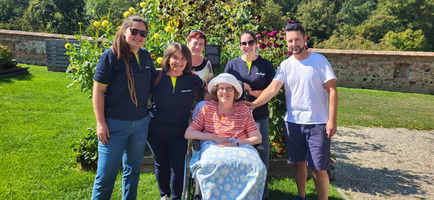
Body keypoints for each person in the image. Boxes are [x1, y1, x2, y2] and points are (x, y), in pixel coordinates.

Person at [245, 23, 338, 200]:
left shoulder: (319, 61)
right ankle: (300, 196)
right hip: (293, 122)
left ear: (304, 39)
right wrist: (254, 105)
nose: (293, 43)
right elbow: (272, 89)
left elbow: (332, 90)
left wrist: (332, 120)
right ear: (286, 43)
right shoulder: (286, 65)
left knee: (318, 168)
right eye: (290, 41)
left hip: (318, 123)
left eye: (297, 39)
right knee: (298, 163)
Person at [91, 15, 155, 200]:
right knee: (106, 174)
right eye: (134, 31)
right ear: (124, 31)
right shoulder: (111, 56)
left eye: (143, 33)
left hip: (141, 123)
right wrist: (100, 122)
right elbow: (98, 90)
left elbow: (153, 77)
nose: (139, 36)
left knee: (133, 170)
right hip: (113, 125)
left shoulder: (144, 55)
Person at [185, 73, 267, 200]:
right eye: (221, 88)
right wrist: (215, 138)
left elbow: (257, 137)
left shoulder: (243, 110)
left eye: (229, 88)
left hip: (240, 145)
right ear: (216, 91)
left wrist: (237, 143)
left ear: (234, 92)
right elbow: (189, 133)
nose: (225, 92)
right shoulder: (207, 108)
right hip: (213, 145)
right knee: (210, 164)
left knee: (257, 166)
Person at [147, 42, 205, 200]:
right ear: (167, 58)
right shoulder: (156, 76)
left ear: (187, 61)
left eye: (183, 58)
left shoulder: (193, 80)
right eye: (175, 58)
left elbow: (208, 94)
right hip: (155, 130)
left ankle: (176, 197)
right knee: (161, 164)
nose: (179, 62)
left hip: (179, 131)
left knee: (178, 167)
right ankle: (164, 195)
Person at [224, 30, 275, 200]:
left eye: (250, 42)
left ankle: (262, 195)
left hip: (259, 116)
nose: (247, 46)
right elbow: (225, 90)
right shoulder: (231, 65)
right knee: (237, 156)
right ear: (239, 45)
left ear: (256, 43)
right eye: (243, 43)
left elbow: (271, 92)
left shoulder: (266, 65)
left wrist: (251, 92)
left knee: (261, 156)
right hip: (236, 119)